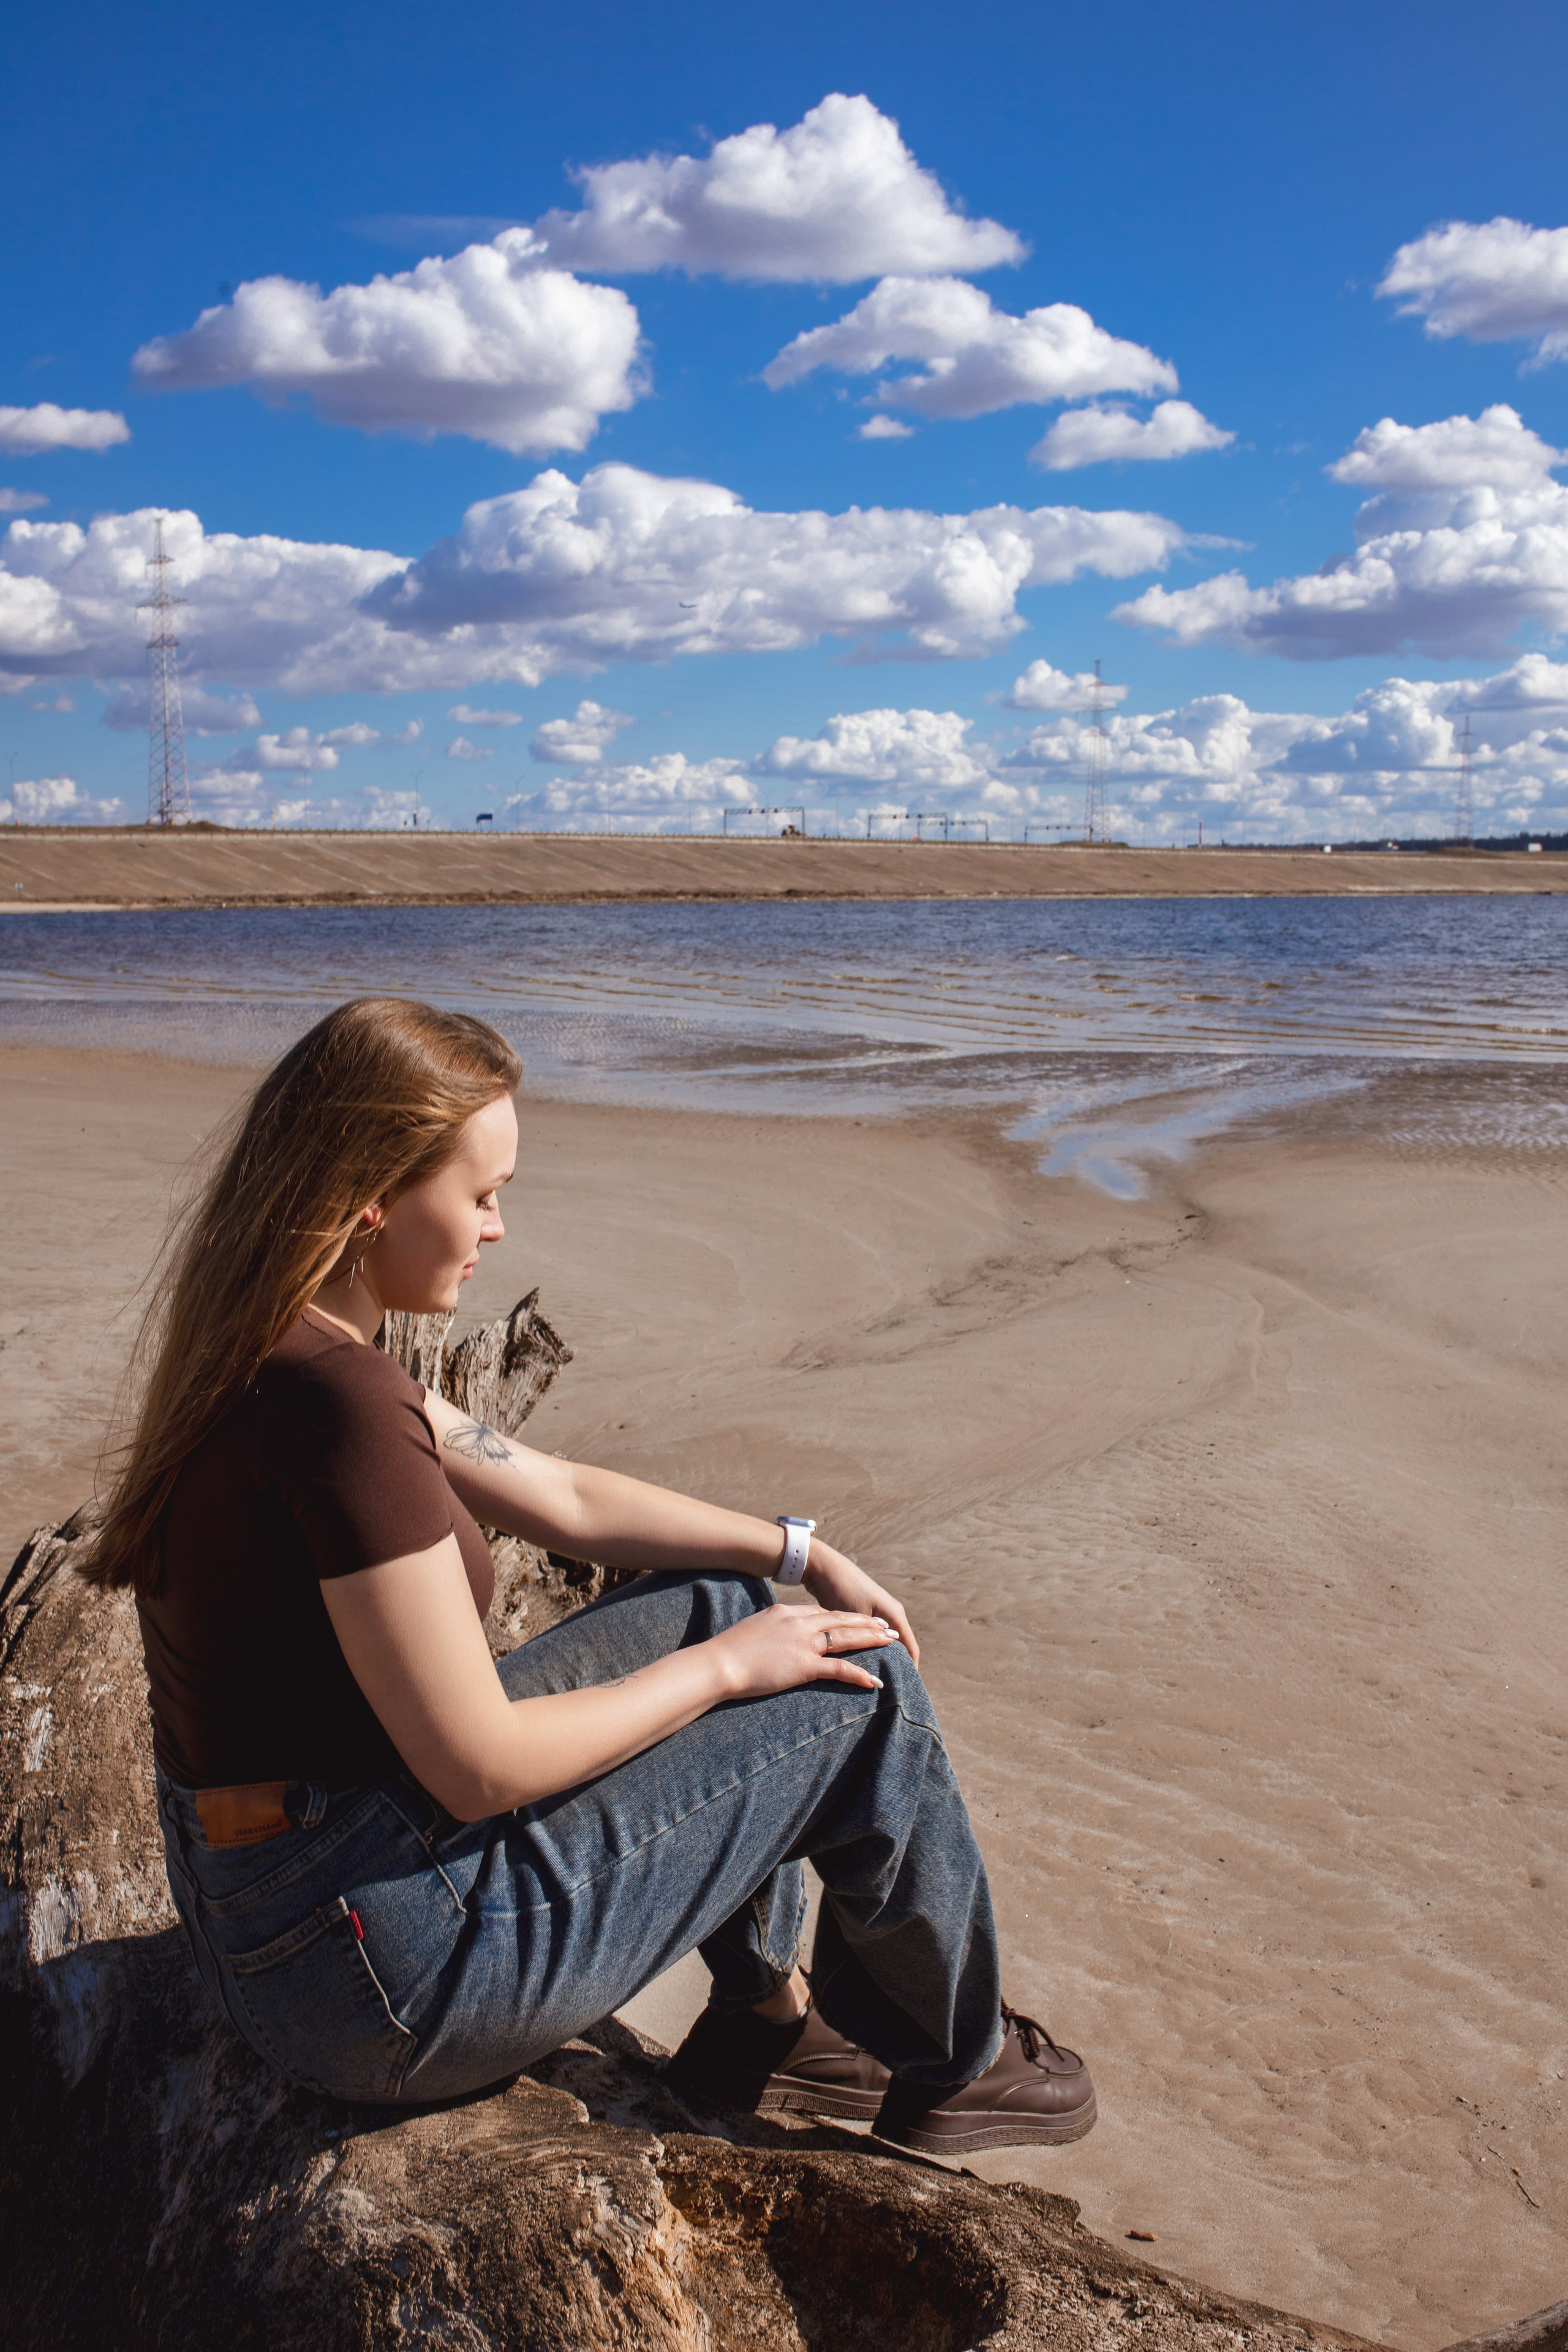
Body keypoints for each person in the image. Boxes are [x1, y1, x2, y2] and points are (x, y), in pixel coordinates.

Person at [86, 997, 1096, 2155]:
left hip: (289, 1909)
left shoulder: (278, 1345)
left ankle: (768, 2017)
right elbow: (479, 1768)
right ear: (373, 1195)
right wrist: (728, 1672)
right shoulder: (344, 1405)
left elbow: (562, 1496)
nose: (498, 1226)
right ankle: (957, 2064)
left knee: (715, 1598)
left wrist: (796, 1552)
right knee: (857, 1696)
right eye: (481, 1195)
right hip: (378, 1975)